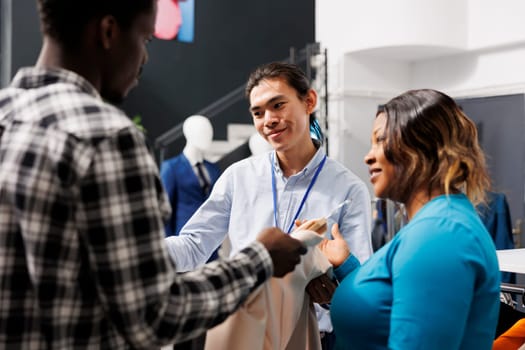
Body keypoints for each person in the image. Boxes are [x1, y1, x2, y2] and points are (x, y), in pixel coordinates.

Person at [0, 1, 308, 348]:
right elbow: (155, 313)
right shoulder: (106, 138)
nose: (144, 59)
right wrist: (259, 259)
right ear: (108, 32)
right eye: (145, 39)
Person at [165, 62, 372, 349]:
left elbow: (360, 279)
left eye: (278, 105)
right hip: (243, 332)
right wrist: (144, 254)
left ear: (309, 101)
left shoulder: (349, 189)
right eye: (258, 112)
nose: (268, 120)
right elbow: (193, 246)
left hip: (313, 336)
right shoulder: (238, 177)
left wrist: (332, 292)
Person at [316, 89, 501, 349]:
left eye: (381, 140)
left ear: (422, 146)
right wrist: (346, 266)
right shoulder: (436, 225)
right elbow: (390, 305)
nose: (368, 156)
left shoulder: (440, 234)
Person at [160, 115, 221, 238]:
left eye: (210, 131)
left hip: (210, 239)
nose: (208, 136)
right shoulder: (171, 167)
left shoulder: (213, 168)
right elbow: (164, 210)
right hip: (183, 238)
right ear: (189, 133)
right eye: (203, 132)